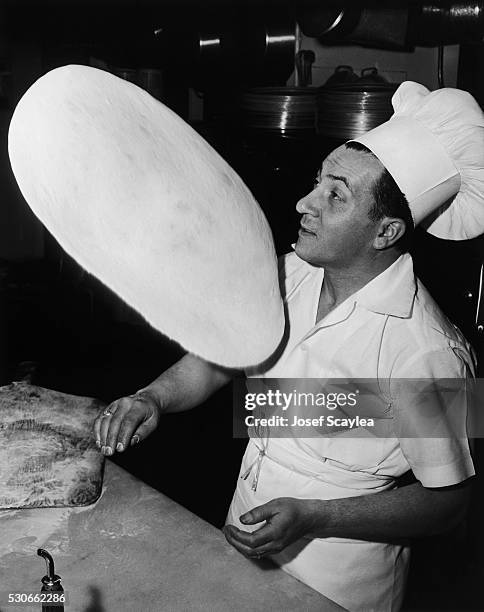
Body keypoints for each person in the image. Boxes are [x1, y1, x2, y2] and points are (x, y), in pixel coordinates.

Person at [93, 81, 483, 611]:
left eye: (335, 195)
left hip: (336, 574)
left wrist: (318, 515)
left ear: (385, 232)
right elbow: (223, 360)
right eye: (316, 182)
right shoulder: (290, 275)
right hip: (243, 526)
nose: (304, 202)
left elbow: (450, 503)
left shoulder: (428, 351)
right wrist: (154, 397)